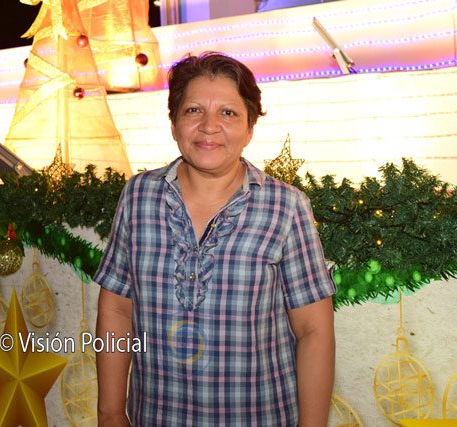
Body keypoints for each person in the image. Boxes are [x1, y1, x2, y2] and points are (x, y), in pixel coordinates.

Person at [93, 51, 336, 426]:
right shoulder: (139, 196)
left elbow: (313, 330)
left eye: (228, 113)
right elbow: (116, 310)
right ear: (174, 123)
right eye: (193, 110)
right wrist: (110, 412)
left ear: (249, 128)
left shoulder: (285, 207)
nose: (209, 126)